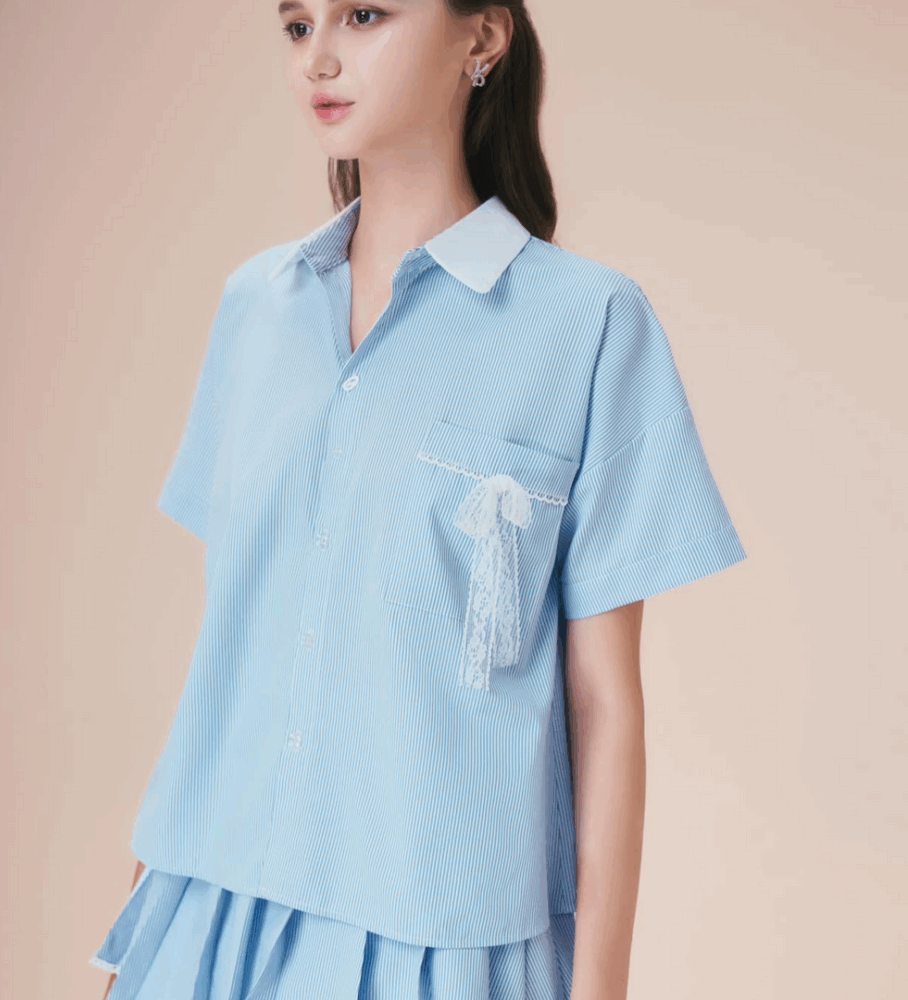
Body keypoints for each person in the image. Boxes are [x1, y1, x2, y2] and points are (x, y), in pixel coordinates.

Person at [90, 2, 747, 998]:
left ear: (482, 37)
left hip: (439, 936)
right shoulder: (255, 309)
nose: (320, 56)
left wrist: (600, 987)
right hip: (209, 905)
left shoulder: (587, 324)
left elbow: (604, 703)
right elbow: (236, 638)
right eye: (296, 25)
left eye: (363, 14)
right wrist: (145, 923)